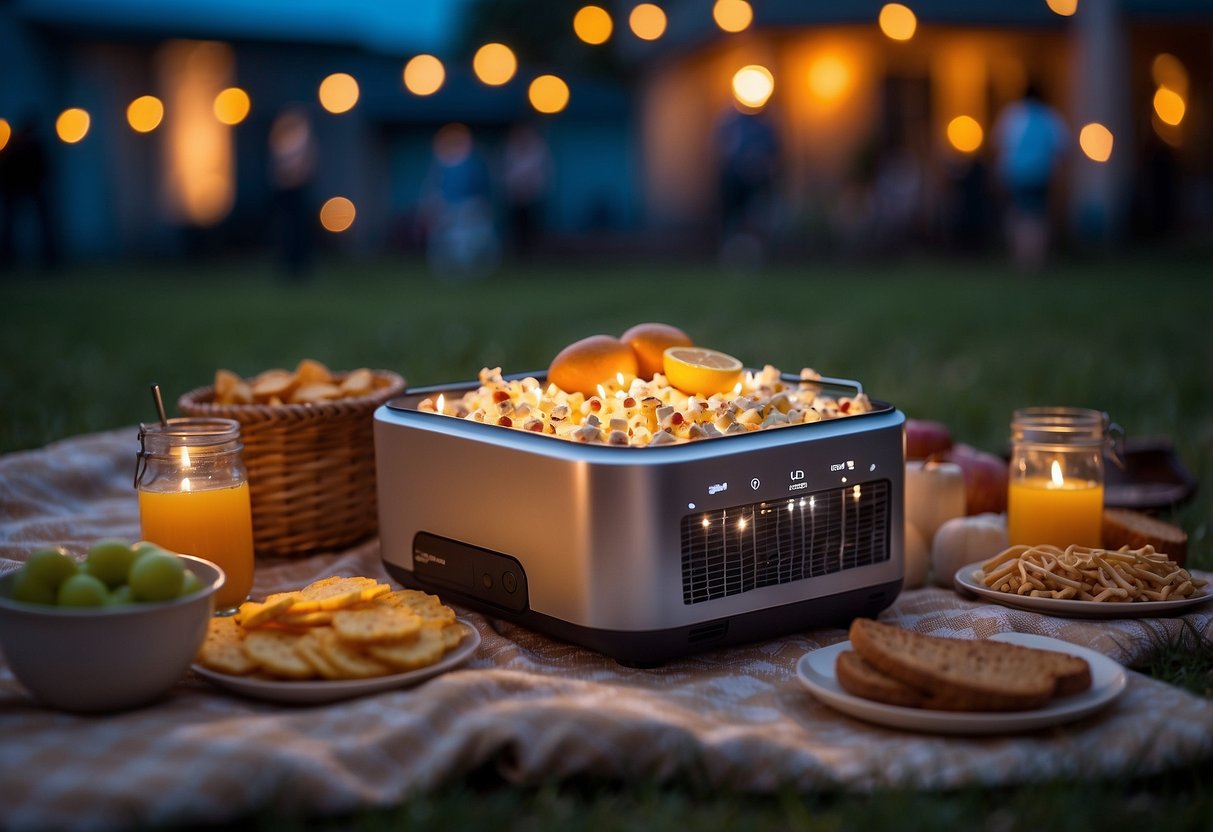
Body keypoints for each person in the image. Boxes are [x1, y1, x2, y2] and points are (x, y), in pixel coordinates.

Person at [992, 83, 1068, 271]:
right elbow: (1062, 147)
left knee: (1020, 214)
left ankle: (1022, 256)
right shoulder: (1049, 116)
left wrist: (999, 172)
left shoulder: (1013, 115)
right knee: (1037, 215)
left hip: (1016, 173)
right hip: (1041, 173)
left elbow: (1000, 145)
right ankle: (1036, 257)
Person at [0, 112, 59, 272]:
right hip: (21, 188)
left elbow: (44, 167)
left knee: (41, 225)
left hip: (30, 188)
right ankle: (8, 259)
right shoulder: (18, 145)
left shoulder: (18, 144)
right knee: (12, 226)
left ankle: (49, 259)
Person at [268, 107, 317, 279]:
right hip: (284, 191)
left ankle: (300, 266)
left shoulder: (302, 139)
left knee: (299, 230)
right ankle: (288, 266)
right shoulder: (280, 140)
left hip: (298, 189)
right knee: (286, 229)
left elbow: (307, 165)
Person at [502, 123, 551, 261]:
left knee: (533, 229)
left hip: (533, 198)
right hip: (516, 198)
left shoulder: (538, 149)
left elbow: (542, 174)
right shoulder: (511, 151)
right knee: (516, 230)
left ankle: (533, 255)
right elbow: (507, 175)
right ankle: (518, 257)